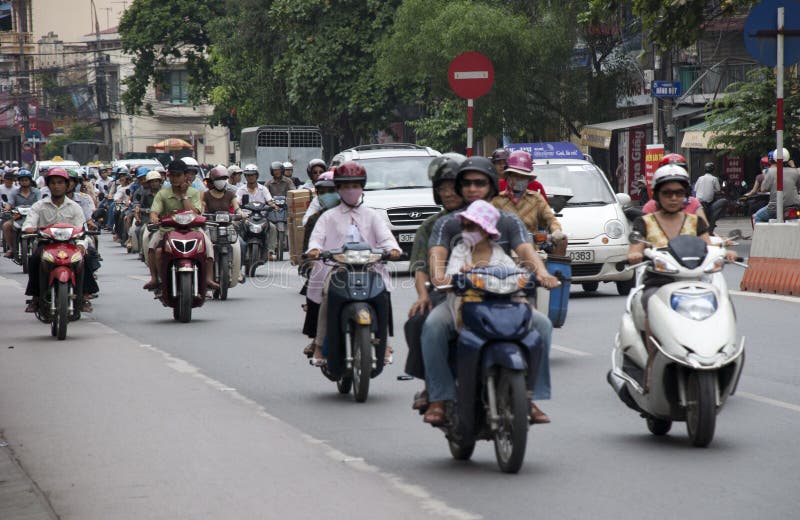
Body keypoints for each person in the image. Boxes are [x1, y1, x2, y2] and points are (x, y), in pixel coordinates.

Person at [421, 156, 560, 426]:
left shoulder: (508, 221)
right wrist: (440, 277)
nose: (473, 189)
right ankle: (439, 397)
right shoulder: (448, 224)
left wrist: (542, 274)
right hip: (459, 301)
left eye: (480, 183)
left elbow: (525, 252)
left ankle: (529, 397)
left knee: (542, 325)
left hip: (506, 301)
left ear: (492, 186)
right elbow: (436, 257)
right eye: (467, 183)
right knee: (432, 327)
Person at [627, 163, 737, 391]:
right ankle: (652, 364)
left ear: (686, 195)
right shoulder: (644, 222)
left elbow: (708, 247)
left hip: (696, 283)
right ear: (657, 194)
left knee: (725, 305)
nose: (673, 198)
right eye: (667, 193)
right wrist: (636, 255)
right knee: (649, 308)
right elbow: (635, 248)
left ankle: (721, 354)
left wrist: (725, 253)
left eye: (679, 193)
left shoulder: (695, 222)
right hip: (658, 284)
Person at [305, 161, 402, 366]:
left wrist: (392, 250)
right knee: (328, 295)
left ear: (362, 187)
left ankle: (384, 343)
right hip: (338, 268)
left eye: (356, 185)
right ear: (338, 188)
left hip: (370, 267)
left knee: (383, 293)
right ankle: (320, 346)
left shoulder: (372, 215)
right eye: (346, 186)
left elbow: (386, 238)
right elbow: (317, 238)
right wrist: (314, 249)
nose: (351, 190)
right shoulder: (327, 217)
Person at [405, 153, 465, 409]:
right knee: (418, 322)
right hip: (446, 292)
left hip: (490, 290)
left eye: (454, 188)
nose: (449, 194)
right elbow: (421, 267)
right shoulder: (431, 227)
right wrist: (423, 295)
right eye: (443, 189)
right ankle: (433, 385)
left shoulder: (491, 217)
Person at [21, 168, 91, 313]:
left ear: (67, 185)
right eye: (53, 183)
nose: (56, 186)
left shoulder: (75, 207)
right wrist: (30, 229)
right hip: (47, 245)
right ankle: (35, 297)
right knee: (34, 259)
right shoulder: (39, 206)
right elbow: (28, 224)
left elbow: (82, 230)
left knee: (86, 259)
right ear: (48, 185)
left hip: (70, 245)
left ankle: (84, 296)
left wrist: (81, 245)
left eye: (60, 182)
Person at [143, 160, 219, 291]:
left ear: (185, 176)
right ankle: (155, 278)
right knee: (152, 247)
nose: (174, 178)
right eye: (172, 175)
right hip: (167, 230)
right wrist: (154, 218)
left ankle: (208, 278)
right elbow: (155, 211)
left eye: (178, 175)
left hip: (193, 229)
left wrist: (184, 195)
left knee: (208, 246)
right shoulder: (163, 194)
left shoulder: (194, 192)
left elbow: (194, 213)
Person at [491, 150, 564, 253]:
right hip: (503, 255)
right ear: (508, 176)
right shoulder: (496, 201)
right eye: (516, 175)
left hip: (531, 254)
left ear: (528, 179)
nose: (519, 180)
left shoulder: (536, 199)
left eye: (523, 177)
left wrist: (556, 230)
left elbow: (551, 219)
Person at [300, 171, 340, 356]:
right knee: (318, 291)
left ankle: (383, 342)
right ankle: (317, 340)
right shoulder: (316, 219)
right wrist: (313, 257)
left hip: (359, 264)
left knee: (382, 288)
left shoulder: (363, 213)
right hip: (327, 265)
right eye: (322, 191)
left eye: (330, 190)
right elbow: (310, 247)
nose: (327, 195)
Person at [236, 163, 278, 258]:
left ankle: (270, 252)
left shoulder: (263, 189)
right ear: (245, 176)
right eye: (247, 175)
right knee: (234, 225)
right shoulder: (241, 190)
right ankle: (237, 250)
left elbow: (270, 201)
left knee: (272, 228)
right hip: (245, 217)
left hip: (261, 217)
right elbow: (237, 202)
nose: (250, 177)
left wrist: (273, 205)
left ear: (257, 176)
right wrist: (239, 209)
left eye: (252, 175)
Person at [755, 147, 800, 222]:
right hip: (795, 204)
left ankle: (764, 234)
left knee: (758, 217)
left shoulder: (771, 171)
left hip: (775, 207)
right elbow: (798, 187)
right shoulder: (794, 172)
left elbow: (763, 189)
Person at [2, 169, 39, 258]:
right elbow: (9, 203)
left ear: (30, 181)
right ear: (19, 181)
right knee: (6, 226)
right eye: (22, 180)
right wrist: (7, 209)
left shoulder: (37, 192)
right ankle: (11, 248)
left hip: (33, 218)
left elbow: (40, 203)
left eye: (26, 180)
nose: (24, 182)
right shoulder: (14, 192)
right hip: (18, 217)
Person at [694, 162, 722, 230]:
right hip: (707, 201)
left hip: (698, 200)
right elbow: (718, 190)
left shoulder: (700, 178)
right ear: (713, 170)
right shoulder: (714, 178)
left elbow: (695, 189)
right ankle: (712, 219)